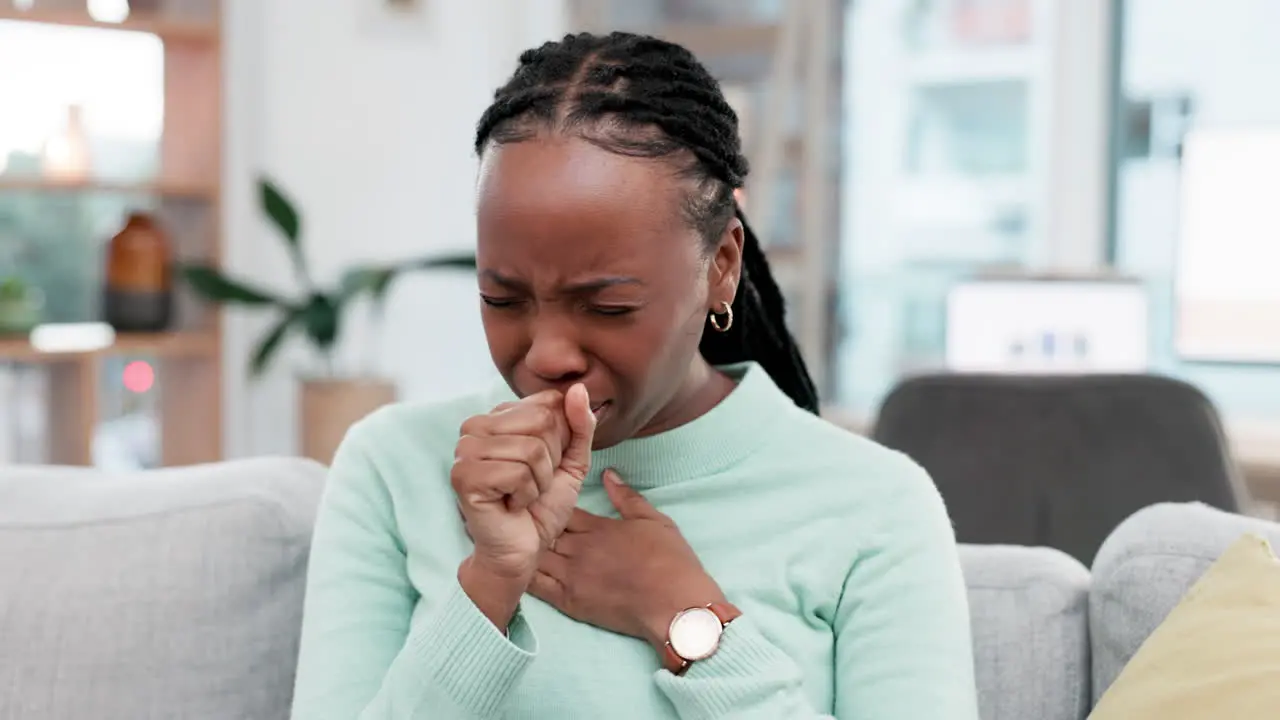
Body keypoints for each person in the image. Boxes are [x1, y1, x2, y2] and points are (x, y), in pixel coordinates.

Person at [290, 31, 978, 720]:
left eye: (607, 305)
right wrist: (488, 588)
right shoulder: (393, 467)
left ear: (722, 267)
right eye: (503, 298)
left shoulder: (877, 505)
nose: (547, 353)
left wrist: (688, 618)